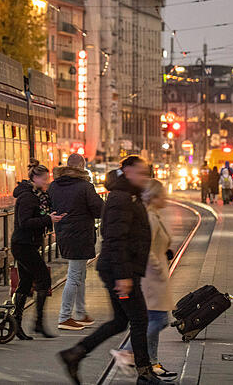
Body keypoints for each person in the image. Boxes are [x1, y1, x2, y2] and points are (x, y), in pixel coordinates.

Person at [59, 156, 162, 385]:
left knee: (120, 321)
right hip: (119, 270)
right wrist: (123, 275)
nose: (145, 177)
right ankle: (144, 373)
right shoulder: (121, 198)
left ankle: (74, 354)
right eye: (140, 172)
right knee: (139, 319)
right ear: (127, 172)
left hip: (120, 268)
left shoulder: (129, 196)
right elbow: (115, 238)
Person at [111, 180, 177, 379]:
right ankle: (125, 351)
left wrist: (166, 252)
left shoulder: (154, 215)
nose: (166, 199)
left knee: (153, 319)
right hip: (151, 277)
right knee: (159, 320)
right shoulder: (149, 217)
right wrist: (157, 267)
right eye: (162, 195)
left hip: (155, 277)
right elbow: (145, 248)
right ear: (154, 197)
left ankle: (153, 363)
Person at [11, 159, 64, 340]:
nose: (47, 182)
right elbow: (24, 222)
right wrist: (48, 220)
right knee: (43, 278)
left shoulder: (36, 195)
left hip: (27, 244)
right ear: (35, 178)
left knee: (25, 283)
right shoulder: (27, 197)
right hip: (23, 245)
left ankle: (17, 323)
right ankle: (36, 323)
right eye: (44, 179)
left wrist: (50, 218)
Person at [49, 154, 103, 331]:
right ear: (82, 166)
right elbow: (98, 209)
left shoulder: (54, 185)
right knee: (74, 275)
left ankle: (80, 312)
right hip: (80, 235)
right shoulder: (85, 186)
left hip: (64, 233)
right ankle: (65, 317)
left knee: (80, 274)